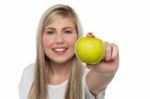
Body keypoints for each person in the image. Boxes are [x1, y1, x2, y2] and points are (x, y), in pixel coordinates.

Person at [19, 4, 119, 99]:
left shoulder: (86, 76)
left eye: (67, 31)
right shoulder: (29, 73)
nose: (59, 40)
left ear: (77, 37)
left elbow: (100, 79)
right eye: (50, 32)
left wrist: (108, 72)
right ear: (40, 38)